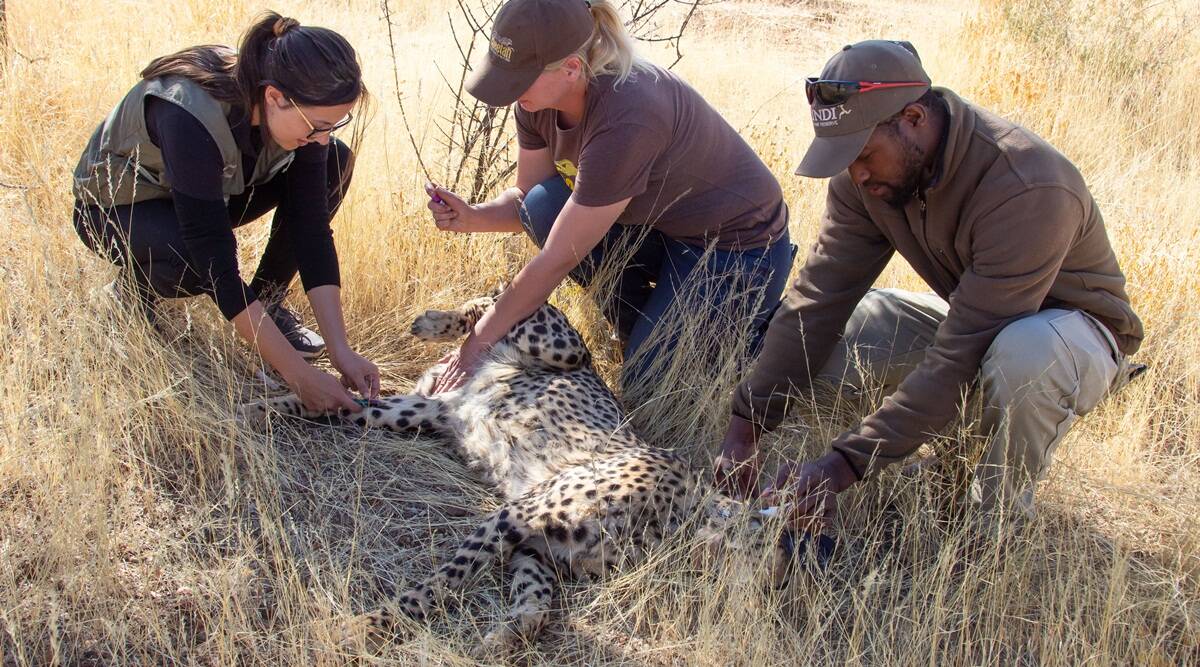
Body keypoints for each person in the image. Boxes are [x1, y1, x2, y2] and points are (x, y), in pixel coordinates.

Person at [712, 40, 1144, 524]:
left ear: (913, 118)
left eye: (863, 153)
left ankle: (992, 526)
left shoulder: (1028, 184)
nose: (857, 173)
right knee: (836, 341)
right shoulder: (869, 178)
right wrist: (746, 425)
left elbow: (960, 352)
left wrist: (839, 467)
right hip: (980, 317)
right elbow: (818, 298)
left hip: (1070, 335)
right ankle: (954, 446)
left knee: (1023, 355)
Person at [424, 0, 794, 396]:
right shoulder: (536, 103)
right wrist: (473, 217)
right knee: (543, 205)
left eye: (521, 77)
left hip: (735, 248)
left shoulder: (627, 113)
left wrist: (474, 347)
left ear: (571, 68)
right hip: (657, 229)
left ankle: (770, 333)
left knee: (651, 387)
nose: (510, 90)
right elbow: (528, 199)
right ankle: (649, 331)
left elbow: (556, 258)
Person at [72, 12, 379, 414]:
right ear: (273, 97)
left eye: (333, 124)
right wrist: (298, 377)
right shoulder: (188, 113)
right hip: (116, 211)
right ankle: (132, 292)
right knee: (192, 260)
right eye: (317, 125)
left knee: (334, 163)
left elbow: (311, 228)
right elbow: (214, 257)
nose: (320, 137)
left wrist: (342, 352)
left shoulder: (292, 106)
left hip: (202, 195)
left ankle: (267, 302)